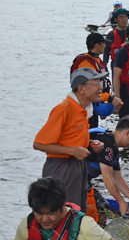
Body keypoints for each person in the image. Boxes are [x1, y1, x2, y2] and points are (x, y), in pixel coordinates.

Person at [33, 68, 106, 211]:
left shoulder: (83, 109)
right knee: (62, 213)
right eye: (96, 83)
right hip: (61, 167)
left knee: (78, 213)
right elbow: (39, 143)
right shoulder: (64, 109)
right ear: (81, 89)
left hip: (78, 165)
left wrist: (90, 144)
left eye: (100, 82)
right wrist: (73, 151)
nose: (101, 87)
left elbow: (70, 138)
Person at [86, 115, 129, 216]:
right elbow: (107, 178)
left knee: (105, 206)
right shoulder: (105, 144)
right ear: (128, 132)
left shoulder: (112, 147)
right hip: (72, 181)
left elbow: (117, 178)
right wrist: (121, 202)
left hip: (83, 183)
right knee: (102, 209)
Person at [71, 32, 122, 128]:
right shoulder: (85, 63)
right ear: (96, 45)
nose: (105, 46)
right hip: (85, 105)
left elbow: (102, 84)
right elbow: (88, 90)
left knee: (94, 133)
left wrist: (102, 105)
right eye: (103, 43)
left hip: (94, 103)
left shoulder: (97, 60)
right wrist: (110, 98)